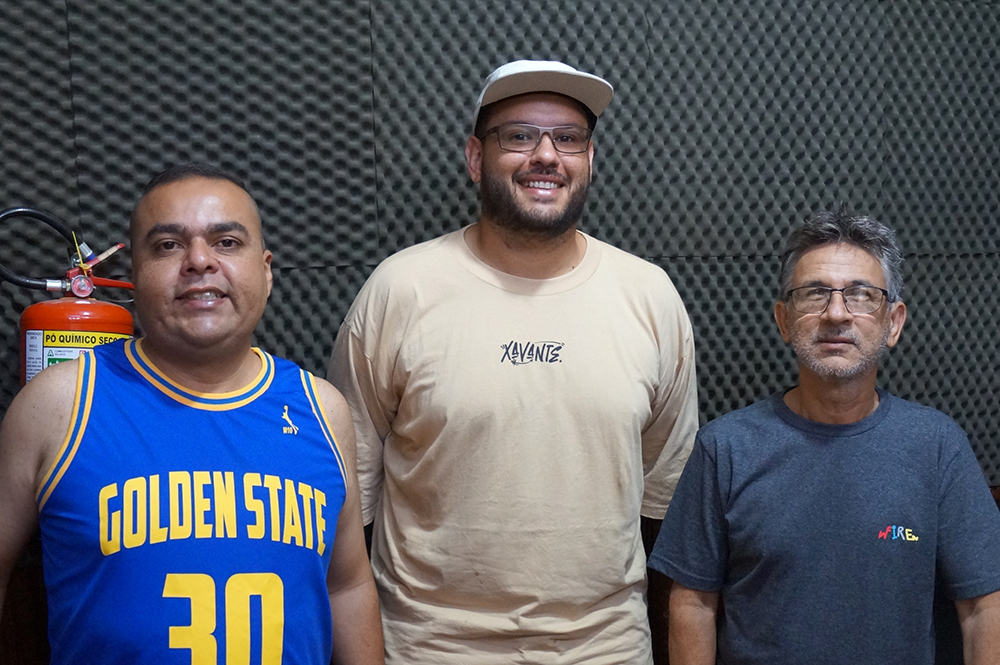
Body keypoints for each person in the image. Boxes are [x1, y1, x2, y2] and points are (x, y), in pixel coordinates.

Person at [328, 60, 699, 664]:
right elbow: (350, 506)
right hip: (432, 648)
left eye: (568, 138)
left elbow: (664, 504)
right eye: (520, 136)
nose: (546, 155)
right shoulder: (400, 290)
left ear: (590, 158)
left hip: (604, 647)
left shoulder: (649, 296)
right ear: (476, 158)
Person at [0, 164, 384, 664]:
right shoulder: (58, 404)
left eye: (226, 242)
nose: (199, 260)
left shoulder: (323, 409)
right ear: (135, 276)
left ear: (266, 270)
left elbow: (347, 585)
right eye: (168, 245)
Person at [650, 208, 1000, 664]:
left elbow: (983, 607)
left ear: (893, 323)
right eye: (815, 294)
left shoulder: (937, 447)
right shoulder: (725, 448)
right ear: (783, 320)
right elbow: (693, 604)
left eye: (861, 295)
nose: (836, 313)